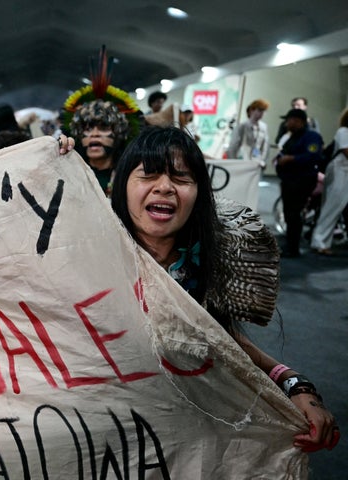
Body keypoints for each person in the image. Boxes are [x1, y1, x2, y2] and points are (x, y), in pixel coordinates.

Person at [110, 125, 338, 453]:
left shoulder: (209, 263)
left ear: (199, 192)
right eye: (148, 175)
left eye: (181, 178)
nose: (164, 187)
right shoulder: (88, 251)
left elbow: (223, 342)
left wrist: (294, 384)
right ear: (122, 186)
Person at [63, 46, 143, 196]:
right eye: (87, 129)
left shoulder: (130, 176)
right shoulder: (68, 173)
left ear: (119, 133)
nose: (94, 134)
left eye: (103, 128)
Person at [273, 108, 323, 257]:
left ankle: (293, 247)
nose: (287, 123)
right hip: (289, 181)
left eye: (289, 120)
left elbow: (313, 156)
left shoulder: (311, 137)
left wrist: (291, 159)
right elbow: (285, 152)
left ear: (298, 121)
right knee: (289, 213)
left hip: (301, 181)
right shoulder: (292, 137)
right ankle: (290, 243)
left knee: (294, 214)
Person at [310, 107, 348, 255]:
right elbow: (346, 151)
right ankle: (319, 241)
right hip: (340, 172)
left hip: (343, 172)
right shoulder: (343, 132)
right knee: (331, 207)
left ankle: (322, 241)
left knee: (336, 207)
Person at [226, 99, 270, 165]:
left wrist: (263, 161)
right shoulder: (242, 126)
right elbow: (233, 146)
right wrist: (233, 163)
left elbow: (265, 147)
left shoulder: (264, 127)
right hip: (242, 161)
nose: (262, 113)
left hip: (257, 161)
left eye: (263, 111)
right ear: (251, 110)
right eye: (260, 110)